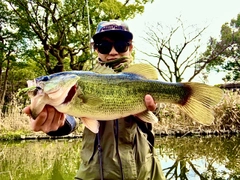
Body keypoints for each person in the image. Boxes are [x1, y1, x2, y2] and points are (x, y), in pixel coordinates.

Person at [23, 20, 166, 180]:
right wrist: (58, 123)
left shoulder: (142, 80)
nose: (112, 52)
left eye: (120, 45)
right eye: (104, 46)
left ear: (130, 47)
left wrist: (151, 108)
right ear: (95, 48)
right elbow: (71, 119)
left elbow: (156, 113)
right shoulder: (80, 84)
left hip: (146, 174)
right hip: (94, 175)